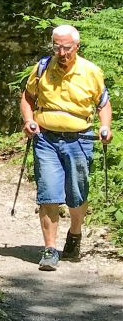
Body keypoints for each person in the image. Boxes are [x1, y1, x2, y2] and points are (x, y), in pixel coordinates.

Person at [20, 25, 113, 271]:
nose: (61, 52)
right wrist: (29, 121)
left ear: (77, 47)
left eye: (66, 48)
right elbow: (28, 98)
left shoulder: (91, 71)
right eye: (57, 47)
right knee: (49, 193)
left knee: (77, 194)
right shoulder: (41, 68)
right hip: (46, 139)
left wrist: (105, 127)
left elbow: (103, 103)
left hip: (80, 139)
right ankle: (50, 250)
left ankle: (75, 234)